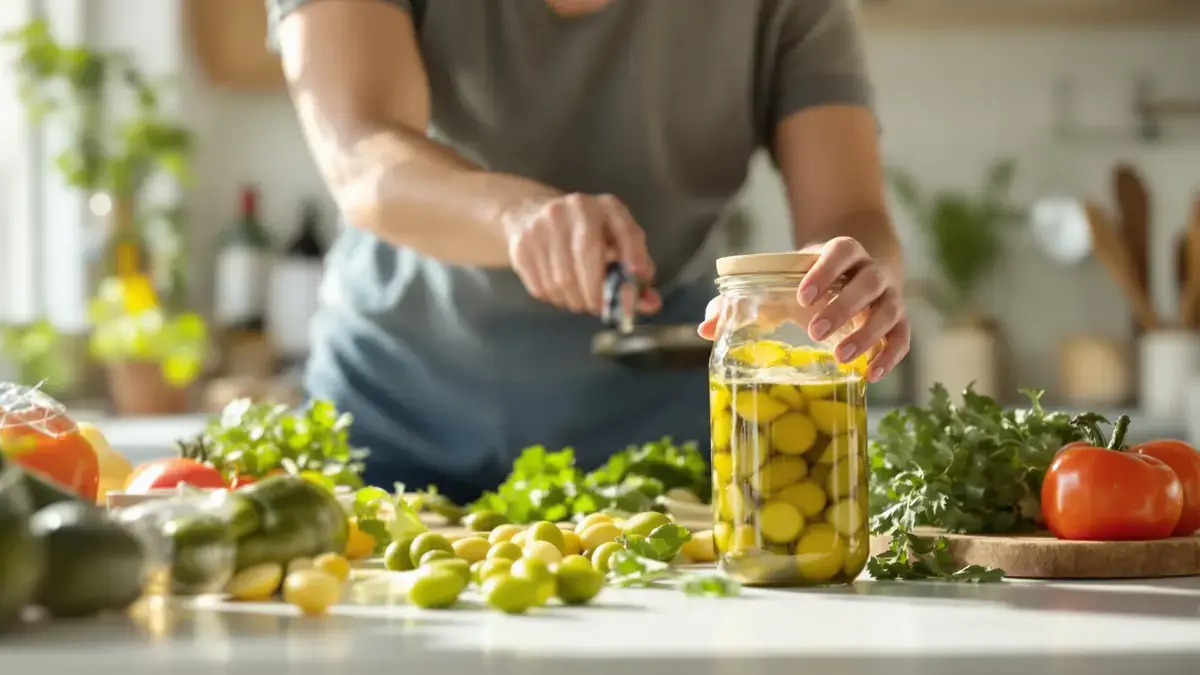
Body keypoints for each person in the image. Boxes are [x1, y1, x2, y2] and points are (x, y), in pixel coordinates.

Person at [268, 0, 910, 503]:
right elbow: (363, 152)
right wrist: (516, 218)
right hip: (393, 428)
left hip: (661, 463)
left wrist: (850, 278)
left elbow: (850, 214)